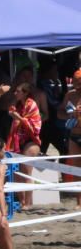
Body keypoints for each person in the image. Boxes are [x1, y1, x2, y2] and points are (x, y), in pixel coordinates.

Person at [8, 83, 43, 207]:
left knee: (26, 171)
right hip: (18, 140)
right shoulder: (17, 104)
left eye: (18, 91)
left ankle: (28, 203)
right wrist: (15, 116)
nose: (15, 93)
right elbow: (13, 117)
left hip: (31, 140)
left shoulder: (32, 105)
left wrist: (20, 119)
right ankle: (22, 201)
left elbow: (35, 127)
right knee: (16, 173)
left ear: (25, 92)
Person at [58, 69, 81, 208]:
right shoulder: (70, 95)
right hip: (74, 135)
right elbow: (60, 113)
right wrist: (69, 115)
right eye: (75, 80)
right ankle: (79, 201)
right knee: (78, 170)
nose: (76, 84)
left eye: (79, 81)